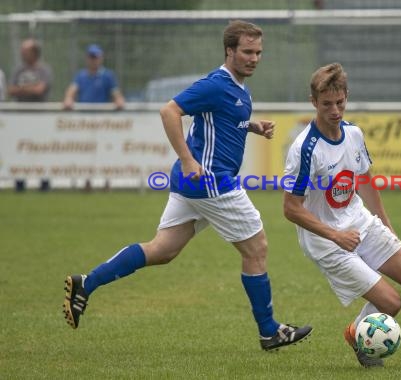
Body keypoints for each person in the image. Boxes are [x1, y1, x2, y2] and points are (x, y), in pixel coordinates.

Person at [63, 20, 312, 351]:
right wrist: (186, 159)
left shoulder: (238, 87)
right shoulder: (215, 84)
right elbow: (170, 111)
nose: (254, 58)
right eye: (248, 52)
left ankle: (86, 283)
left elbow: (221, 119)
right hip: (211, 181)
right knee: (258, 248)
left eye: (259, 52)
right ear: (230, 51)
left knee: (163, 249)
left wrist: (251, 126)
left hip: (193, 185)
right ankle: (269, 331)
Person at [282, 63, 401, 369]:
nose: (335, 111)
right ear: (314, 102)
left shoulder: (353, 134)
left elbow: (364, 180)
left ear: (346, 96)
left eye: (340, 102)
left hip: (359, 221)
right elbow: (291, 209)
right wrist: (336, 236)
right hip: (326, 239)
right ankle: (358, 335)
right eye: (327, 105)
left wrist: (386, 225)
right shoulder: (304, 149)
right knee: (391, 303)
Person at [63, 44, 125, 110]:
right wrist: (68, 98)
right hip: (83, 115)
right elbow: (72, 89)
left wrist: (119, 99)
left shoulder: (107, 76)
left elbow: (115, 92)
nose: (93, 60)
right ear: (86, 58)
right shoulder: (80, 75)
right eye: (91, 57)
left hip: (103, 115)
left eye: (96, 57)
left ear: (101, 58)